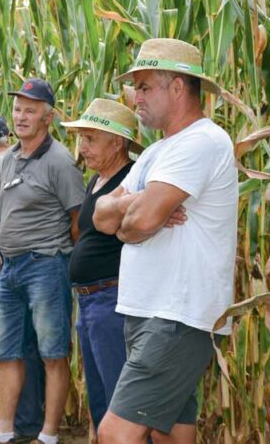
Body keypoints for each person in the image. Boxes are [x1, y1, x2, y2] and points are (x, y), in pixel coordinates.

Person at [94, 38, 238, 444]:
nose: (135, 97)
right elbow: (101, 216)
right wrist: (138, 210)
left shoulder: (201, 142)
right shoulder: (157, 151)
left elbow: (134, 223)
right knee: (171, 433)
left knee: (115, 434)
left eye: (143, 87)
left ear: (177, 87)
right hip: (152, 309)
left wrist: (133, 214)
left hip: (177, 314)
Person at [0, 78, 86, 444]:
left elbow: (79, 222)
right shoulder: (10, 158)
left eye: (30, 110)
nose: (21, 116)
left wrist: (65, 266)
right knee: (7, 351)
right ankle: (4, 429)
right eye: (17, 109)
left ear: (49, 117)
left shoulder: (60, 161)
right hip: (10, 269)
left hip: (46, 266)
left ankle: (48, 435)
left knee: (52, 353)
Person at [60, 99, 144, 435]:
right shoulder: (95, 181)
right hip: (91, 301)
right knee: (99, 397)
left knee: (119, 403)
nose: (83, 148)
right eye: (81, 139)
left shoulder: (132, 177)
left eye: (91, 139)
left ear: (118, 142)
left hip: (113, 301)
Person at [0, 115, 46, 442]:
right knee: (37, 346)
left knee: (12, 348)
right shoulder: (30, 160)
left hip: (12, 266)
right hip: (45, 265)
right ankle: (35, 419)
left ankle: (18, 422)